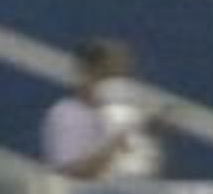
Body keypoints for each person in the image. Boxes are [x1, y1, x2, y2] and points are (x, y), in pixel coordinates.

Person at [41, 37, 161, 181]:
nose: (120, 82)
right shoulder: (68, 115)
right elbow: (70, 175)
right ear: (88, 73)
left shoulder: (129, 115)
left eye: (125, 74)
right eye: (110, 74)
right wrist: (117, 142)